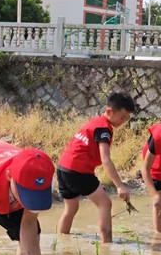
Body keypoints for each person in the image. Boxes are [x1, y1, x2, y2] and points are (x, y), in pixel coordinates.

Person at [56, 92, 135, 243]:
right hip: (78, 171)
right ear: (109, 111)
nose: (123, 122)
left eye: (127, 119)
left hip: (63, 168)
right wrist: (120, 186)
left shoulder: (96, 122)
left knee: (70, 209)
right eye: (122, 117)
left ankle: (61, 244)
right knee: (105, 203)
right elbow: (106, 160)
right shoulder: (103, 129)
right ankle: (107, 246)